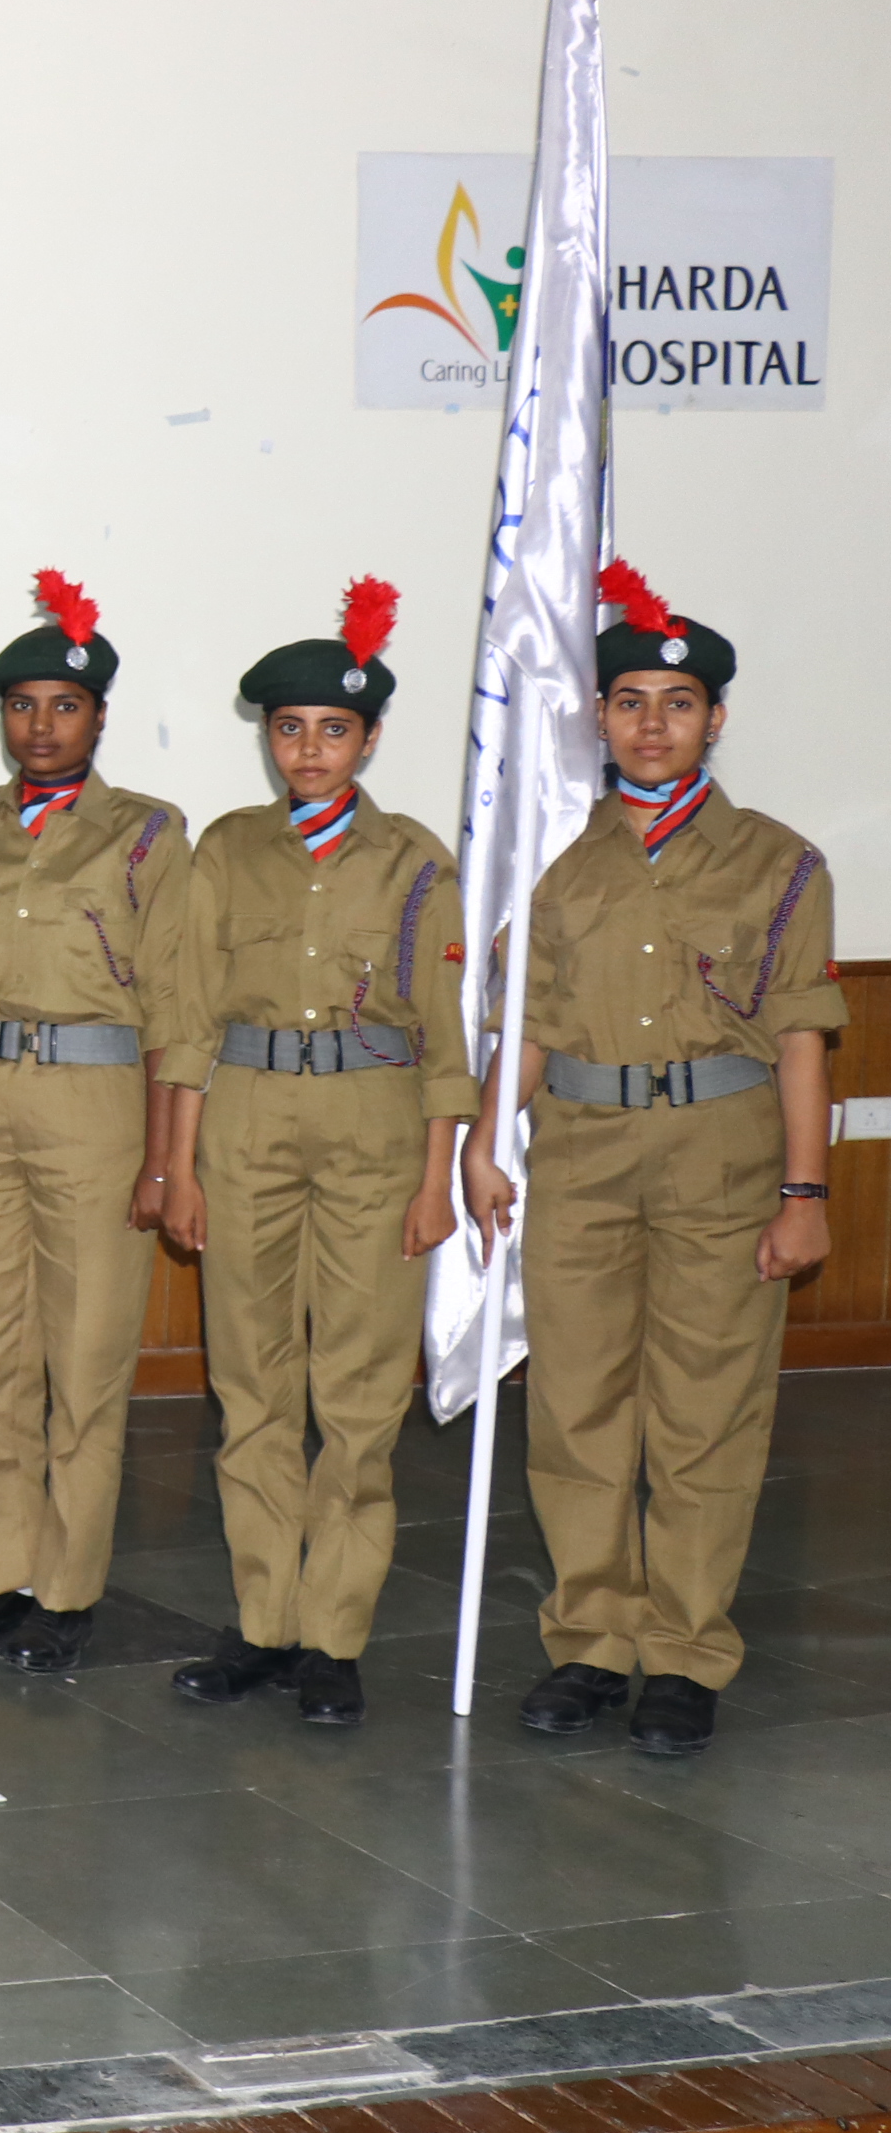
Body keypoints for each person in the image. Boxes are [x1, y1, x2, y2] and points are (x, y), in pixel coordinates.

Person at [464, 564, 839, 1759]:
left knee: (704, 1414)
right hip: (582, 1153)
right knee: (576, 1407)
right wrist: (484, 1138)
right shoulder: (564, 865)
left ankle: (683, 1652)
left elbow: (797, 1040)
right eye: (629, 701)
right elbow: (532, 1027)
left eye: (677, 702)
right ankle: (588, 1641)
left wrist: (805, 1192)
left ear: (714, 718)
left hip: (719, 1159)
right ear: (601, 716)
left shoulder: (779, 864)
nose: (652, 723)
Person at [153, 582, 471, 1729]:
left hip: (375, 1126)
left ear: (370, 738)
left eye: (333, 730)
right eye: (289, 728)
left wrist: (438, 1178)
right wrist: (181, 1164)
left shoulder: (413, 859)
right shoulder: (228, 850)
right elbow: (188, 1018)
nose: (310, 748)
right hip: (244, 1117)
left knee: (359, 1389)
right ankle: (262, 1621)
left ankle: (334, 1636)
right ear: (268, 738)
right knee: (250, 1385)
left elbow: (445, 1039)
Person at [0, 571, 195, 1678]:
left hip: (95, 1108)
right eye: (22, 707)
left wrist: (170, 1157)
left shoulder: (149, 834)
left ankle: (69, 1588)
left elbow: (176, 1009)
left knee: (88, 1350)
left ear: (98, 716)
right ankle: (1, 1576)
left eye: (63, 706)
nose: (41, 725)